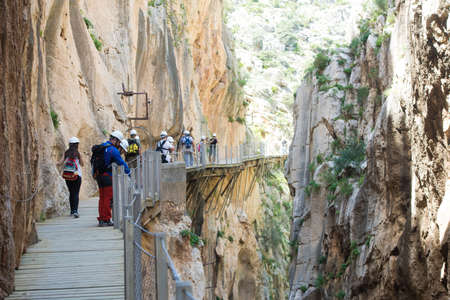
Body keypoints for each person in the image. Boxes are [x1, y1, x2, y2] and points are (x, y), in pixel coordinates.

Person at [94, 130, 130, 227]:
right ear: (115, 140)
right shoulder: (112, 150)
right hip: (107, 176)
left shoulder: (103, 146)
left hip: (99, 175)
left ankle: (101, 218)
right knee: (108, 198)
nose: (119, 145)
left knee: (102, 198)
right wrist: (129, 173)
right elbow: (121, 163)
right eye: (118, 142)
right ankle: (106, 219)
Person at [60, 137, 83, 218]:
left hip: (68, 176)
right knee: (76, 193)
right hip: (77, 175)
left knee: (71, 193)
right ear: (77, 144)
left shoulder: (66, 153)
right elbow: (82, 164)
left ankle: (71, 210)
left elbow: (61, 162)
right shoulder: (78, 154)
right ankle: (75, 211)